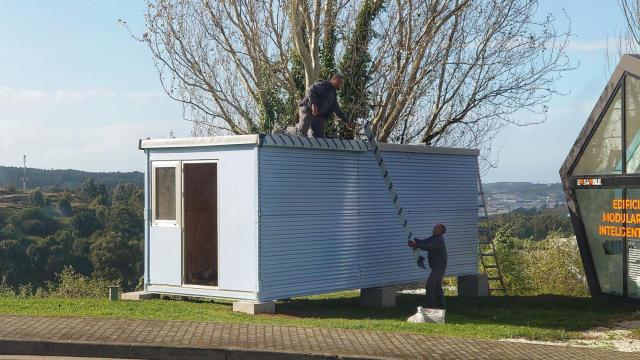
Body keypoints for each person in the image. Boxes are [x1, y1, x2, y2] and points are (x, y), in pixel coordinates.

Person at [285, 74, 355, 138]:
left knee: (319, 138)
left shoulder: (333, 95)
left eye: (342, 83)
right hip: (308, 109)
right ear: (334, 80)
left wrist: (346, 121)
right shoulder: (324, 84)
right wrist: (313, 104)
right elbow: (311, 90)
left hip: (319, 116)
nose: (341, 85)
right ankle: (287, 130)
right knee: (302, 132)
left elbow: (337, 110)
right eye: (340, 82)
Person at [408, 223, 447, 309]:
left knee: (430, 284)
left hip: (439, 266)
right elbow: (423, 242)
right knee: (437, 286)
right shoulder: (434, 237)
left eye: (436, 227)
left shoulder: (439, 240)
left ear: (440, 231)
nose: (434, 228)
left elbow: (428, 246)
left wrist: (415, 245)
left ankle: (430, 305)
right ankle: (441, 305)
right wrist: (414, 240)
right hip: (436, 266)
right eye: (434, 227)